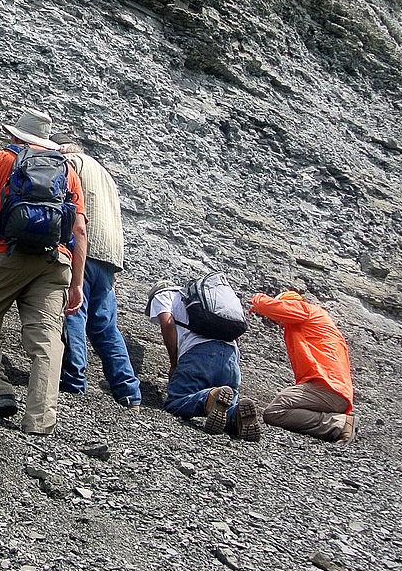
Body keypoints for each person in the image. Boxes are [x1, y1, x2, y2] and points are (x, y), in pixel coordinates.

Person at [0, 109, 87, 436]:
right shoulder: (68, 170)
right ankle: (40, 421)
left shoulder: (0, 160)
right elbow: (81, 230)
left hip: (8, 255)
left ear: (16, 136)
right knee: (46, 341)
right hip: (55, 262)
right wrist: (78, 284)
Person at [57, 143, 141, 408]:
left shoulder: (71, 161)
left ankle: (73, 380)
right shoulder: (105, 173)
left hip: (84, 248)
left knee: (73, 312)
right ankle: (128, 391)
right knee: (105, 327)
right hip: (110, 255)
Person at [149, 279, 262, 440]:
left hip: (198, 354)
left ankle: (209, 397)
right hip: (230, 357)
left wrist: (174, 363)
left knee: (175, 402)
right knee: (227, 405)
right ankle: (236, 414)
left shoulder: (162, 295)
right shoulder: (201, 298)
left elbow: (167, 323)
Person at [249, 290, 356, 442]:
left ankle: (338, 423)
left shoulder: (306, 310)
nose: (280, 324)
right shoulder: (316, 322)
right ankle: (336, 421)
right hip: (335, 391)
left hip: (327, 387)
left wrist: (256, 300)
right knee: (284, 405)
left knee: (276, 411)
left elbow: (273, 307)